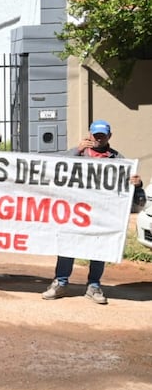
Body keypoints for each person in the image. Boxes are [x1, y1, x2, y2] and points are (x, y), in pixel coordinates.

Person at [42, 119, 143, 305]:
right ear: (89, 135)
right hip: (76, 211)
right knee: (68, 244)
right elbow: (54, 168)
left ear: (109, 137)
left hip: (102, 214)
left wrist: (137, 183)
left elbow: (130, 185)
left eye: (102, 136)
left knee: (99, 247)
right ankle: (61, 283)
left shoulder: (118, 159)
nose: (98, 139)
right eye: (95, 135)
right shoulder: (78, 154)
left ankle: (94, 285)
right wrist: (76, 150)